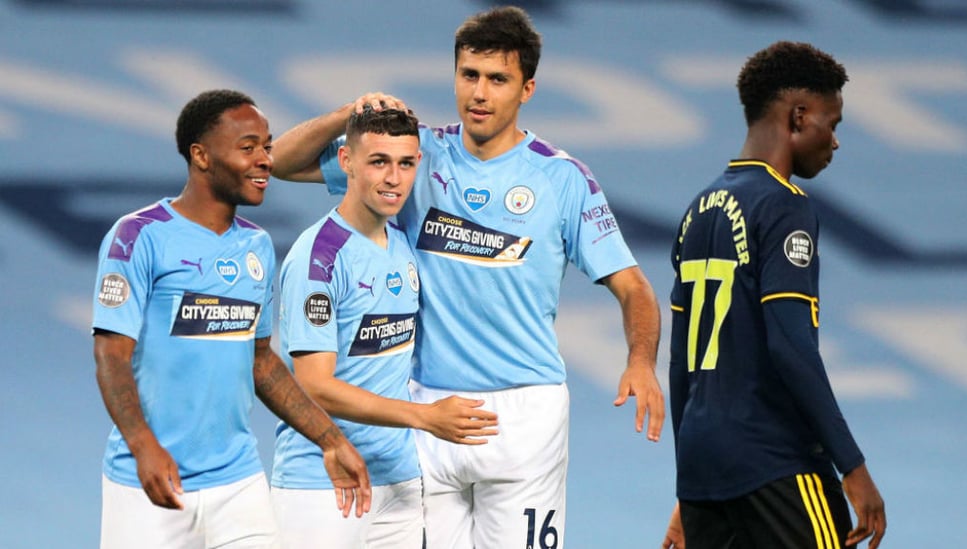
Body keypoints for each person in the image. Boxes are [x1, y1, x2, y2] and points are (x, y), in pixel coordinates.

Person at [270, 6, 666, 548]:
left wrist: (640, 361)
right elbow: (282, 163)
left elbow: (632, 286)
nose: (479, 93)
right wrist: (348, 114)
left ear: (527, 88)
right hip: (427, 409)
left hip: (524, 415)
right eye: (469, 75)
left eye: (498, 79)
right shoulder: (412, 155)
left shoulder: (562, 178)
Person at [92, 89, 371, 549]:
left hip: (238, 482)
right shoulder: (139, 236)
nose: (265, 160)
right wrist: (143, 446)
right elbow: (110, 354)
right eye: (248, 148)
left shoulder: (257, 245)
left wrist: (330, 438)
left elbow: (261, 362)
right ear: (201, 156)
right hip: (151, 482)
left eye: (267, 145)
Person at [661, 42, 886, 549]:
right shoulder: (785, 206)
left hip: (704, 465)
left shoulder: (698, 209)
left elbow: (682, 364)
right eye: (834, 123)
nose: (835, 141)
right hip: (775, 462)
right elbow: (791, 347)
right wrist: (852, 466)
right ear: (800, 116)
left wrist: (690, 485)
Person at [269, 105, 499, 548]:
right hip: (322, 484)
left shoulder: (402, 245)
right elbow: (316, 386)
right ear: (347, 163)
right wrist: (425, 417)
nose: (394, 178)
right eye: (379, 162)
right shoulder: (318, 258)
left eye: (406, 163)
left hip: (398, 481)